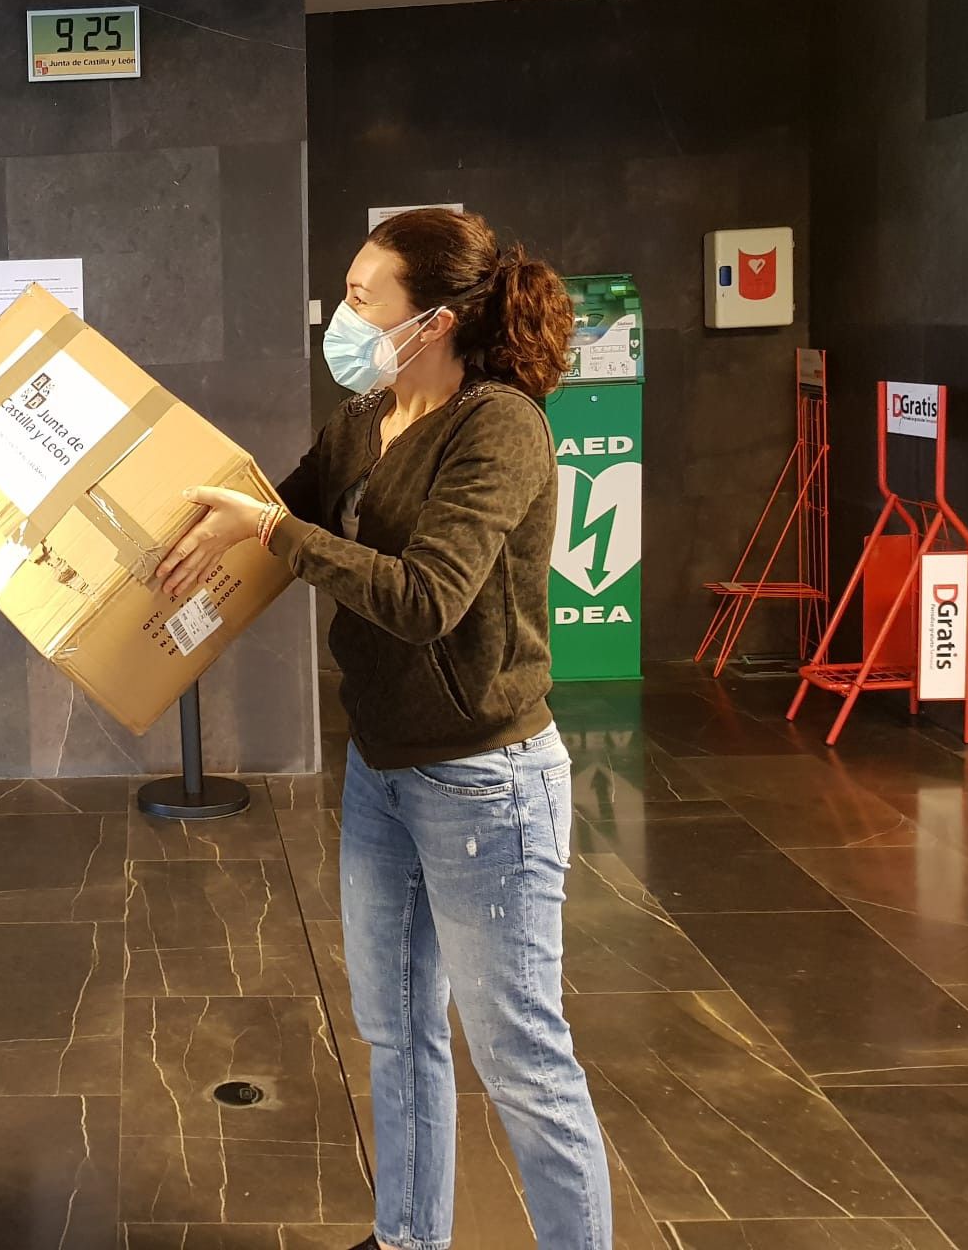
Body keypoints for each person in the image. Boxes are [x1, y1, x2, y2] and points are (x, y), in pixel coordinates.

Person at [157, 207, 612, 1250]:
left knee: (522, 1058)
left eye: (365, 299)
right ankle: (409, 1237)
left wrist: (273, 528)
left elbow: (424, 597)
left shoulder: (499, 426)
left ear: (438, 319)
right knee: (398, 1033)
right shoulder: (366, 415)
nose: (343, 314)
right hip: (383, 770)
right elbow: (277, 510)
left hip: (488, 782)